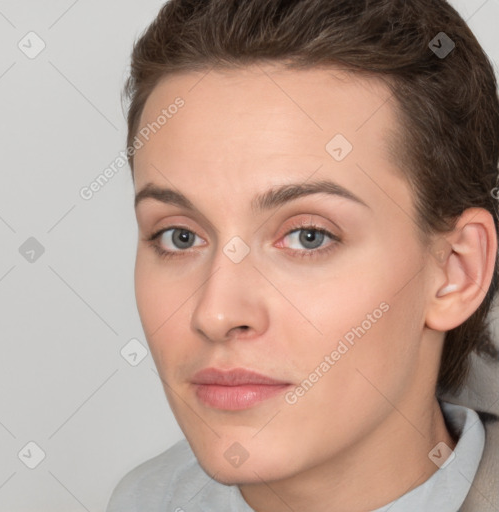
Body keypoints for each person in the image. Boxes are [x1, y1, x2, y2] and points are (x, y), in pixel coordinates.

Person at [106, 0, 499, 510]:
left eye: (308, 236)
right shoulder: (142, 500)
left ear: (456, 270)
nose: (216, 313)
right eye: (179, 236)